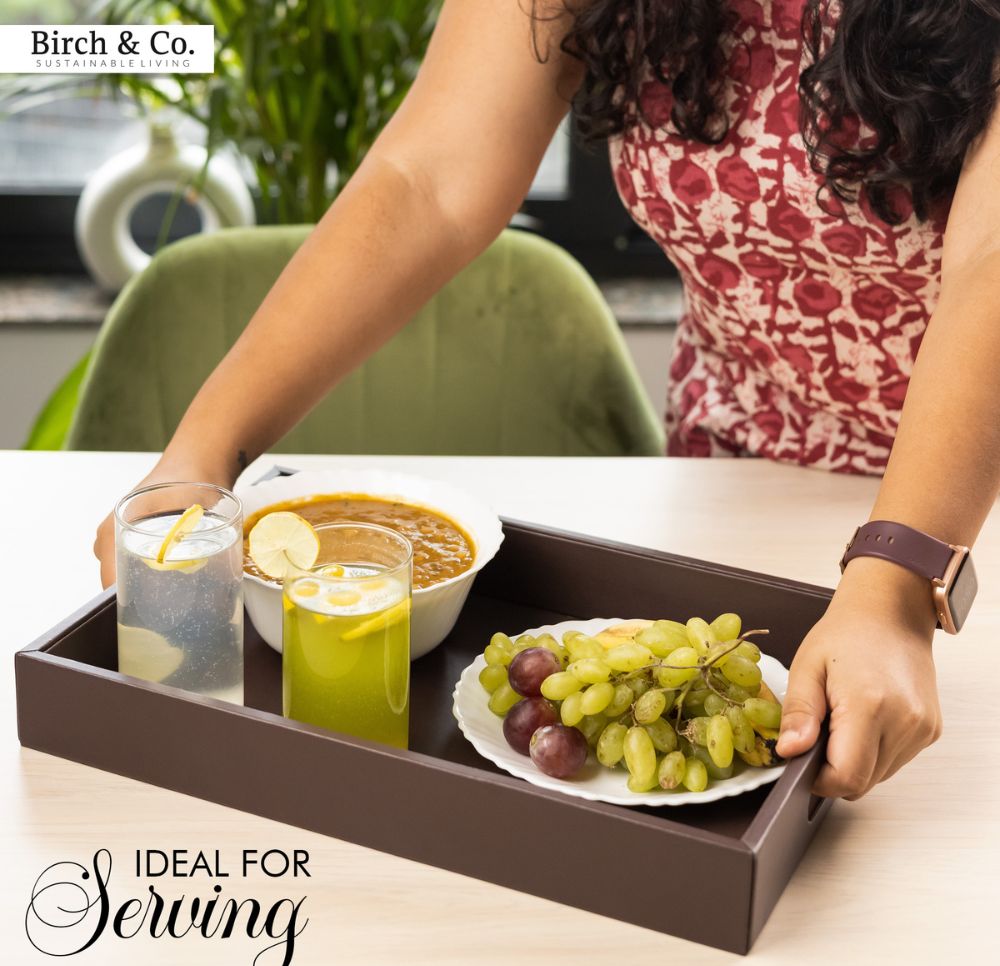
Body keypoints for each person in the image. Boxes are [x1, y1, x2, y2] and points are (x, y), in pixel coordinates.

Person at [94, 0, 1000, 800]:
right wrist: (200, 455)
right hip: (742, 471)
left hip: (959, 515)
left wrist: (897, 580)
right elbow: (431, 179)